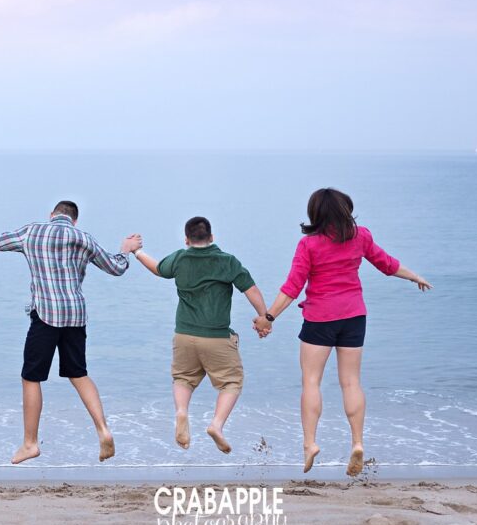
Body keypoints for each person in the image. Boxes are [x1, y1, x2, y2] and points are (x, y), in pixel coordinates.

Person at [254, 188, 431, 476]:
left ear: (316, 213)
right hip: (354, 316)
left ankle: (310, 444)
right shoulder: (361, 236)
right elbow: (386, 264)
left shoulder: (309, 245)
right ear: (345, 210)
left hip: (320, 318)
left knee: (312, 382)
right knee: (351, 382)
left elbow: (292, 287)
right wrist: (414, 276)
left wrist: (268, 317)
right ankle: (357, 442)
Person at [0, 201, 141, 464]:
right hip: (75, 316)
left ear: (51, 216)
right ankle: (103, 429)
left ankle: (30, 443)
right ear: (74, 221)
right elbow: (116, 267)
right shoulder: (83, 238)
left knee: (31, 377)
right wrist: (126, 250)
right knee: (79, 374)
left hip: (45, 315)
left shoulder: (32, 232)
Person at [133, 216, 270, 454]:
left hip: (184, 335)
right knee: (231, 382)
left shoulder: (180, 258)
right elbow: (252, 290)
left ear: (186, 239)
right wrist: (264, 318)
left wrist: (137, 252)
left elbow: (158, 269)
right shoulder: (227, 261)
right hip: (216, 337)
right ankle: (216, 425)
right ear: (212, 238)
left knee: (183, 378)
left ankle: (181, 412)